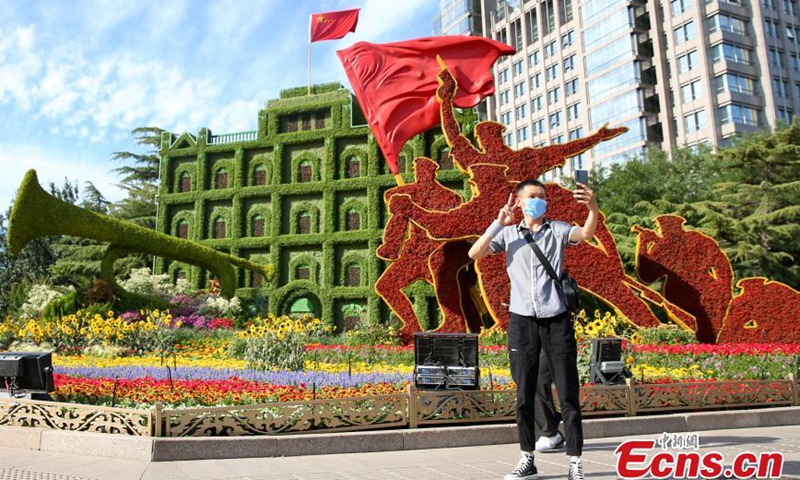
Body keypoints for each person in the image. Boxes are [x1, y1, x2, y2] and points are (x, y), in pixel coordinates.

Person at [468, 178, 599, 480]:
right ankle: (527, 458)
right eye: (532, 196)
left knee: (568, 393)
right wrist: (497, 224)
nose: (538, 201)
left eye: (542, 196)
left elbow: (587, 233)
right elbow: (475, 253)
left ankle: (575, 462)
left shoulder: (559, 229)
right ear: (518, 201)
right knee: (524, 394)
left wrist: (592, 207)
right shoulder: (509, 234)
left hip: (556, 320)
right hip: (522, 321)